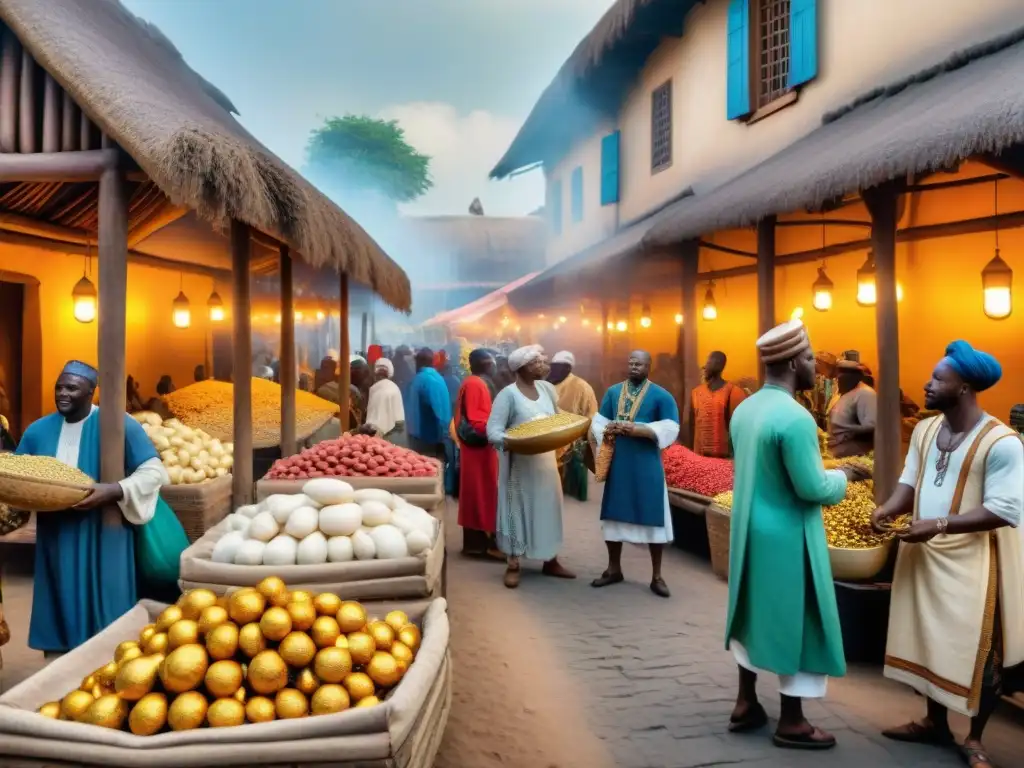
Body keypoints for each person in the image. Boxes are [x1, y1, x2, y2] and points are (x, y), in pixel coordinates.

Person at [871, 340, 1024, 768]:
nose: (927, 383)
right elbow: (910, 482)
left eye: (939, 378)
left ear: (964, 387)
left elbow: (1004, 510)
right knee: (929, 640)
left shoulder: (1003, 443)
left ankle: (974, 738)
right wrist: (887, 508)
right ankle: (934, 722)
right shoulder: (924, 430)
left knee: (982, 652)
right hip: (925, 559)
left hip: (977, 566)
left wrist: (937, 526)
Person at [725, 320, 868, 750]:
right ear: (791, 362)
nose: (815, 367)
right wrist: (846, 475)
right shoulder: (796, 417)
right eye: (809, 359)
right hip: (789, 535)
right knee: (802, 620)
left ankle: (746, 700)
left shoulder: (745, 409)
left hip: (749, 528)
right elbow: (812, 488)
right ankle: (793, 722)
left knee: (751, 611)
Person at [16, 361, 170, 654]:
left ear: (90, 392)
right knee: (60, 593)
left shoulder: (120, 424)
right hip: (56, 532)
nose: (63, 394)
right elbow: (18, 472)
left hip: (105, 529)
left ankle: (111, 659)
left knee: (108, 597)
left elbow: (154, 472)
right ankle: (60, 660)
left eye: (72, 388)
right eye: (59, 387)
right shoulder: (38, 431)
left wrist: (114, 490)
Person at [591, 350, 680, 597]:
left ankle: (657, 576)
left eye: (638, 364)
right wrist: (610, 428)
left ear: (648, 366)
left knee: (653, 515)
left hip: (646, 463)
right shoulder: (612, 392)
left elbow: (671, 427)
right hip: (619, 462)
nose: (633, 367)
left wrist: (640, 429)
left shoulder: (661, 395)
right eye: (630, 362)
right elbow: (598, 423)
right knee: (613, 514)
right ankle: (613, 568)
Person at [487, 345, 574, 588]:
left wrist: (571, 429)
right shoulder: (508, 395)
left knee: (548, 510)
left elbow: (558, 418)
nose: (544, 365)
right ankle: (513, 564)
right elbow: (492, 431)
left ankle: (551, 559)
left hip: (546, 465)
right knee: (517, 512)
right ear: (523, 367)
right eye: (538, 362)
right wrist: (513, 441)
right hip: (519, 466)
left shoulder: (547, 389)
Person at [456, 349, 501, 559]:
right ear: (485, 364)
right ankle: (483, 544)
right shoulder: (475, 383)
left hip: (481, 447)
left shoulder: (475, 382)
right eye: (492, 363)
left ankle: (478, 544)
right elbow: (476, 420)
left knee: (481, 492)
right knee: (482, 493)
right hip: (479, 449)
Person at [548, 351, 599, 501]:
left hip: (573, 437)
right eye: (554, 366)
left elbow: (591, 414)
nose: (556, 370)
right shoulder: (545, 385)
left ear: (569, 368)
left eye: (560, 367)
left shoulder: (582, 386)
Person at [689, 351, 745, 458]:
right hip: (700, 459)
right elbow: (691, 426)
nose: (705, 366)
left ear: (718, 365)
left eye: (709, 362)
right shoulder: (696, 393)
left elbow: (740, 430)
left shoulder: (733, 392)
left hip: (724, 460)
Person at [407, 348, 452, 462]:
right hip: (435, 437)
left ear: (418, 362)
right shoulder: (437, 378)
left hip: (426, 439)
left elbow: (437, 412)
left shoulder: (422, 380)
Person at [826, 360, 877, 458]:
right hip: (837, 445)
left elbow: (871, 426)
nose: (838, 380)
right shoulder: (844, 392)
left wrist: (845, 431)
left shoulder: (866, 394)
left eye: (841, 377)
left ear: (853, 377)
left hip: (855, 450)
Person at [364, 358, 406, 444]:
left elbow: (374, 425)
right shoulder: (395, 387)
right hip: (398, 436)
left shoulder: (377, 391)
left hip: (383, 440)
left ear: (375, 374)